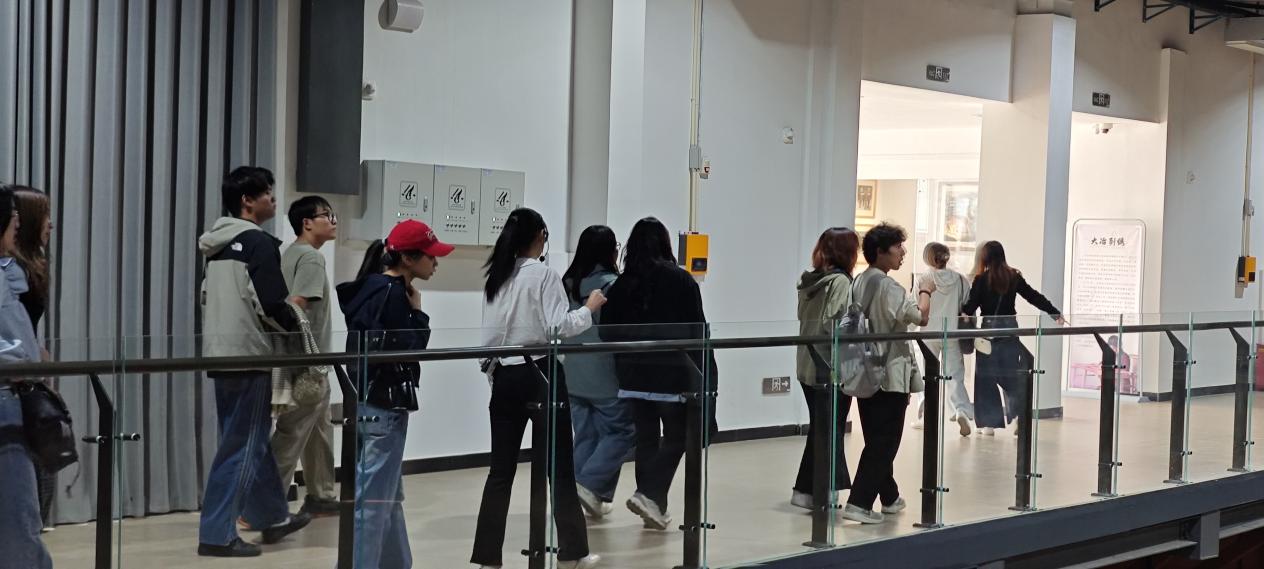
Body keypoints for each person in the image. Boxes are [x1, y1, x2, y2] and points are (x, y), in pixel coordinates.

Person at [472, 208, 605, 569]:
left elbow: (489, 336)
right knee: (558, 467)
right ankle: (572, 552)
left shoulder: (497, 276)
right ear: (540, 236)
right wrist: (589, 309)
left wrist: (492, 371)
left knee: (500, 472)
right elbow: (557, 327)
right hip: (542, 373)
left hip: (505, 375)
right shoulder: (544, 275)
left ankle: (487, 558)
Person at [197, 166, 310, 557]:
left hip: (220, 352)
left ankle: (272, 516)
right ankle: (217, 534)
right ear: (247, 201)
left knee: (246, 440)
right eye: (267, 193)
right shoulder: (258, 243)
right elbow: (271, 304)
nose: (273, 200)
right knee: (242, 447)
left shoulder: (216, 246)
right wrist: (297, 323)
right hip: (250, 353)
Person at [339, 219, 453, 569]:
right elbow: (410, 348)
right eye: (430, 256)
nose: (436, 262)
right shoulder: (393, 295)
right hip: (385, 404)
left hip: (364, 399)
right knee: (374, 501)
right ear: (407, 258)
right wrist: (418, 314)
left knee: (386, 494)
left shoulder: (370, 289)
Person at [599, 217, 718, 531]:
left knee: (647, 440)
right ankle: (650, 495)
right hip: (672, 374)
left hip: (632, 377)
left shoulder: (621, 285)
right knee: (678, 436)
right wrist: (706, 374)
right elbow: (697, 330)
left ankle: (654, 506)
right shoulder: (681, 280)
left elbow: (607, 332)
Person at [843, 222, 930, 525]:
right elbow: (920, 317)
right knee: (885, 440)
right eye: (897, 247)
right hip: (890, 372)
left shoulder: (859, 281)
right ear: (880, 252)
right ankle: (859, 502)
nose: (902, 253)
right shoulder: (889, 287)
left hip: (863, 369)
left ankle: (890, 497)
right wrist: (925, 291)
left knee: (876, 436)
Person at [268, 196, 340, 519]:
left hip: (304, 360)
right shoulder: (311, 258)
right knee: (292, 432)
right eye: (327, 215)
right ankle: (263, 505)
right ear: (306, 223)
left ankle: (321, 495)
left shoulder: (290, 253)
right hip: (308, 364)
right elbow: (297, 305)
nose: (333, 221)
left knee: (320, 430)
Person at [561, 225, 634, 518]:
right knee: (623, 430)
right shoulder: (612, 285)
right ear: (610, 251)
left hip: (573, 372)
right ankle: (589, 485)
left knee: (586, 435)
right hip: (605, 374)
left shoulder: (566, 283)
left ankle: (577, 495)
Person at [961, 241, 1064, 436]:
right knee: (1010, 375)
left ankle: (989, 425)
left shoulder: (981, 280)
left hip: (988, 333)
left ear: (985, 258)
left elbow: (971, 306)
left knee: (985, 377)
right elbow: (1033, 296)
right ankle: (1019, 416)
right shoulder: (1013, 276)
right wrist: (1054, 313)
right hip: (1010, 331)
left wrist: (963, 312)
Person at [0, 185, 53, 569]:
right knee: (19, 514)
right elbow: (19, 349)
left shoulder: (12, 272)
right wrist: (32, 363)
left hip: (15, 393)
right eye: (13, 223)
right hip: (7, 396)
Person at [792, 227, 860, 510]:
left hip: (808, 364)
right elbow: (836, 323)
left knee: (821, 428)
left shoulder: (809, 281)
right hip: (831, 366)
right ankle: (822, 490)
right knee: (830, 429)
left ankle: (806, 491)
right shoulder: (840, 282)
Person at [912, 242, 975, 437]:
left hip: (928, 333)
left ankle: (925, 404)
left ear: (928, 258)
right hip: (952, 333)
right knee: (954, 375)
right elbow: (967, 306)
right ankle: (961, 410)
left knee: (927, 373)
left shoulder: (924, 279)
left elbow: (915, 305)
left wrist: (909, 331)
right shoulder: (960, 279)